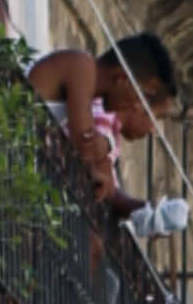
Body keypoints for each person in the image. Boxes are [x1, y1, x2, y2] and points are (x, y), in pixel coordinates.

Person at [25, 24, 181, 204]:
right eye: (142, 96)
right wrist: (103, 155)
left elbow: (94, 155)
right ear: (123, 79)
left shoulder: (88, 95)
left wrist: (104, 159)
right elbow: (86, 146)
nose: (137, 105)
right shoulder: (81, 67)